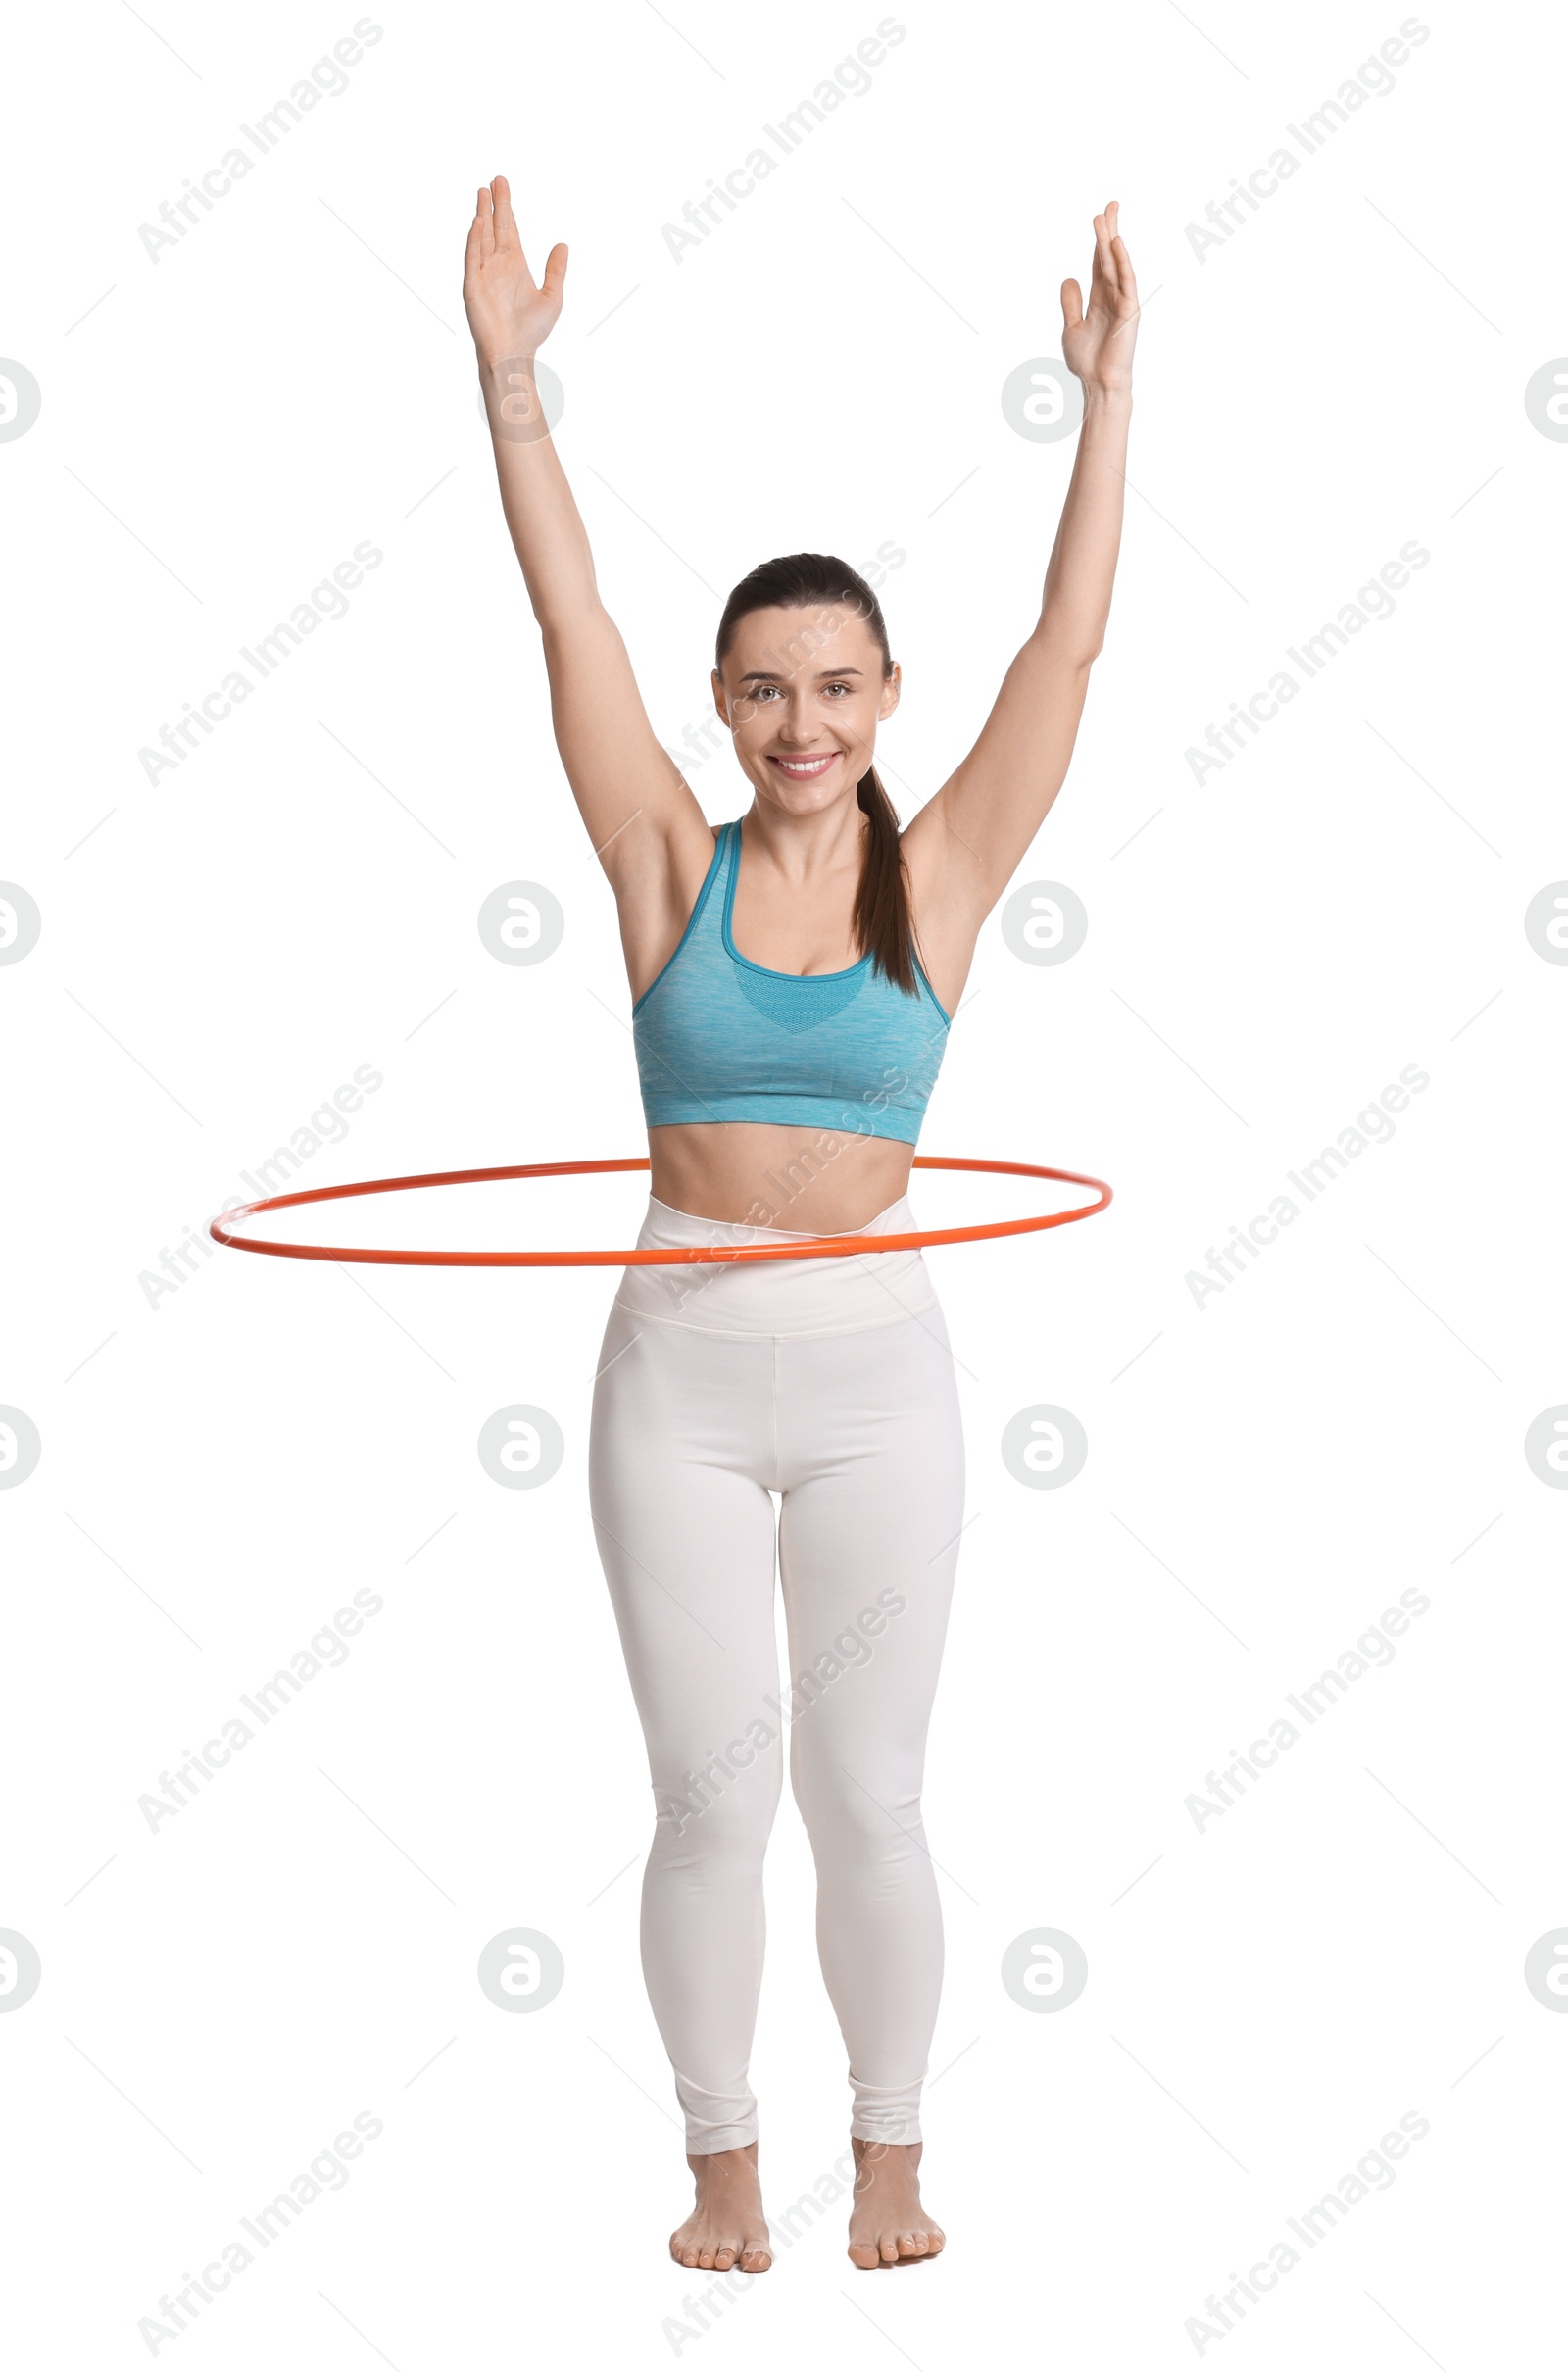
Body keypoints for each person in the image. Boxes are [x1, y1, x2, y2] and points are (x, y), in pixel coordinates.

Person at [462, 175, 1138, 2274]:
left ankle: (894, 2150)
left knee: (869, 1794)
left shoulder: (926, 892)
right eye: (763, 690)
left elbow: (1073, 641)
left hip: (873, 1383)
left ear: (883, 694)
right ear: (723, 704)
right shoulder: (664, 862)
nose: (802, 726)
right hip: (675, 1377)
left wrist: (1107, 396)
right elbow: (568, 626)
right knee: (705, 1803)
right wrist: (508, 386)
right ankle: (719, 2155)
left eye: (835, 686)